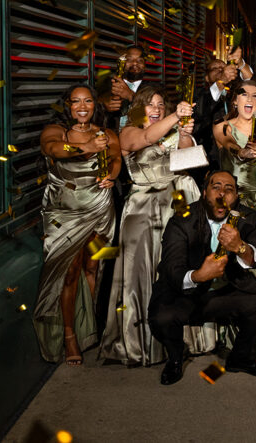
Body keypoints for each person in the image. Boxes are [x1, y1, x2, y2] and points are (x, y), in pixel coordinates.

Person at [98, 86, 201, 365]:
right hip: (142, 209)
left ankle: (180, 340)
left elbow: (190, 158)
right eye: (149, 104)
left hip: (174, 206)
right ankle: (138, 342)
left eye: (160, 105)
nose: (156, 109)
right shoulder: (128, 131)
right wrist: (175, 118)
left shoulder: (169, 130)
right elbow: (144, 138)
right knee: (138, 272)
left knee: (175, 270)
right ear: (137, 109)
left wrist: (184, 132)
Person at [148, 171, 256, 385]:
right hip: (187, 294)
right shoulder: (183, 219)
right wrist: (199, 275)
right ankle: (175, 357)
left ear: (236, 196)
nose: (222, 194)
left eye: (229, 189)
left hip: (225, 292)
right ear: (204, 193)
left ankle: (242, 359)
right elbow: (170, 268)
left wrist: (241, 247)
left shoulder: (248, 216)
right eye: (216, 187)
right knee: (160, 317)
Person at [33, 84, 120, 364]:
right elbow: (55, 150)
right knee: (69, 272)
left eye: (88, 101)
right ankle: (70, 335)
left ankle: (88, 326)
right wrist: (87, 146)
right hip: (64, 210)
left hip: (98, 206)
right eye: (76, 101)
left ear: (95, 105)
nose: (82, 106)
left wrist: (112, 175)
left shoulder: (106, 133)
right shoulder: (55, 131)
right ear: (67, 105)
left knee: (92, 265)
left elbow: (116, 157)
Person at [213, 80, 256, 233]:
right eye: (244, 94)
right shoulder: (222, 126)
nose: (249, 99)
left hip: (255, 200)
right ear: (235, 100)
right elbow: (228, 143)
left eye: (255, 96)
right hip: (226, 197)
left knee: (255, 248)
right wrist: (241, 152)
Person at [104, 44, 147, 129]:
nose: (135, 63)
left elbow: (156, 113)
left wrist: (130, 95)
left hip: (140, 137)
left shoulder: (155, 88)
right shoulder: (108, 86)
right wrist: (105, 107)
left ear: (145, 65)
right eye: (129, 60)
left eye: (140, 60)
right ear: (122, 63)